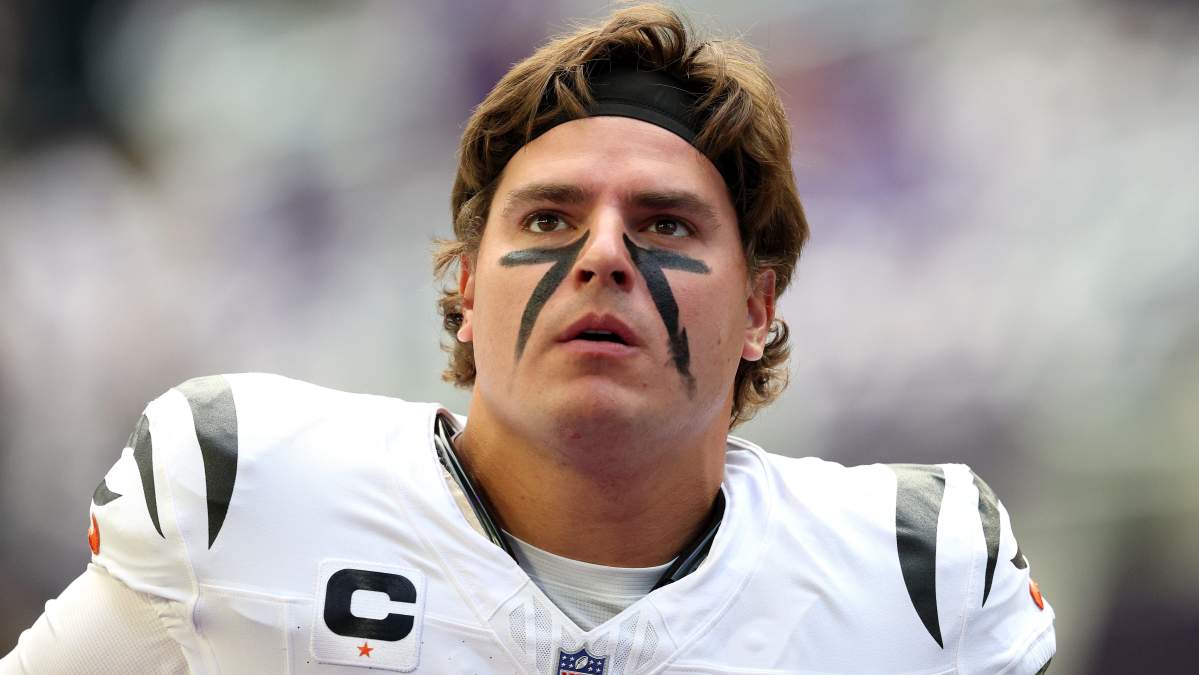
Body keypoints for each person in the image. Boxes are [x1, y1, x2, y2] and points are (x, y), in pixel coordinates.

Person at [1, 4, 1054, 673]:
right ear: (465, 290)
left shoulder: (922, 578)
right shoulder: (242, 489)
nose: (602, 256)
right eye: (548, 219)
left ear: (756, 308)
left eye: (665, 225)